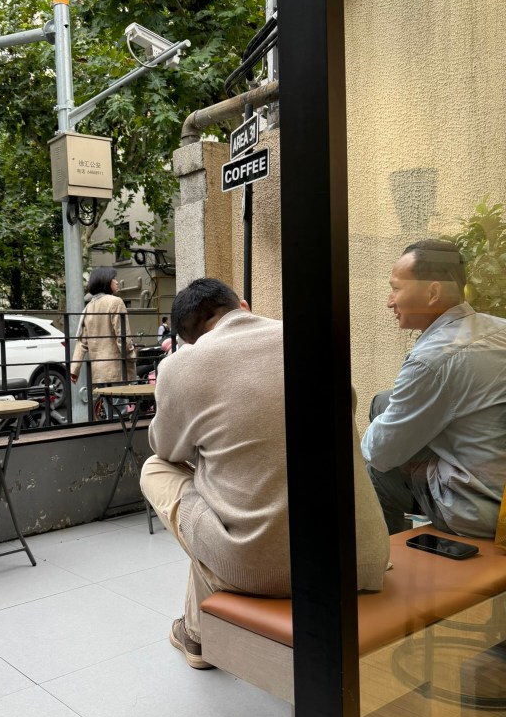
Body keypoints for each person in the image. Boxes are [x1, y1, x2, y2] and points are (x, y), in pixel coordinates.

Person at [141, 278, 389, 669]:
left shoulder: (181, 366)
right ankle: (196, 633)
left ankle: (199, 635)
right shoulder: (315, 338)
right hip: (362, 556)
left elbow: (166, 449)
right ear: (242, 306)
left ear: (190, 339)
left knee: (157, 469)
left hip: (262, 571)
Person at [362, 239, 506, 537]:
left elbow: (379, 453)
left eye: (396, 288)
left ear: (432, 293)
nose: (389, 301)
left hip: (478, 510)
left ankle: (383, 555)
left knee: (378, 467)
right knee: (383, 402)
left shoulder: (431, 360)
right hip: (500, 484)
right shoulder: (499, 329)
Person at [70, 266, 136, 388]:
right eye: (114, 279)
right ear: (106, 281)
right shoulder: (115, 302)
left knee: (105, 400)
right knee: (121, 400)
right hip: (117, 369)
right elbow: (123, 337)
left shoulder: (89, 307)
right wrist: (132, 356)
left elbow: (82, 342)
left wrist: (74, 369)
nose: (117, 282)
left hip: (98, 371)